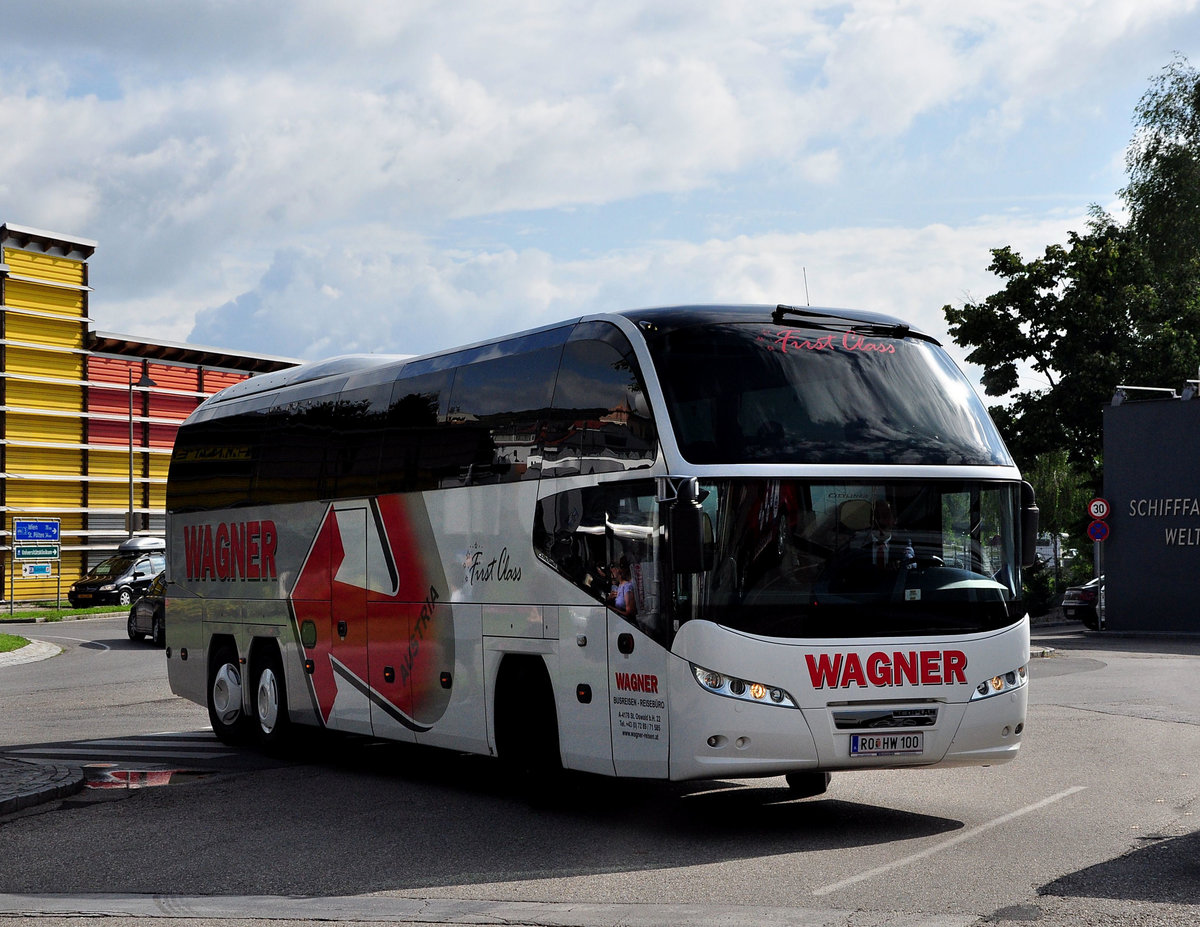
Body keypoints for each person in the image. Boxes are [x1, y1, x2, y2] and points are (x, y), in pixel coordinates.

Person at [866, 501, 915, 570]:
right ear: (871, 520)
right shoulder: (860, 544)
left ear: (895, 520)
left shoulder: (903, 546)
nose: (880, 521)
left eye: (885, 516)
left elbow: (912, 566)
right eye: (876, 516)